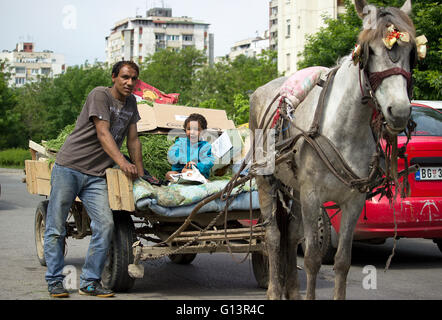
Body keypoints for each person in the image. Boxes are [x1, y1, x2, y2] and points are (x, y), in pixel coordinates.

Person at [44, 61, 144, 298]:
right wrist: (123, 163)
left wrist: (140, 171)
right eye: (125, 77)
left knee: (105, 225)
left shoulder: (131, 103)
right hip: (70, 167)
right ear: (113, 77)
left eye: (134, 79)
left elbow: (133, 139)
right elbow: (103, 133)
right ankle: (55, 281)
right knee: (56, 228)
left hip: (97, 175)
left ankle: (90, 281)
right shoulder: (100, 95)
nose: (130, 83)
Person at [166, 113, 214, 181]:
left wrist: (195, 166)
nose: (192, 132)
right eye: (189, 129)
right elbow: (172, 155)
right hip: (181, 173)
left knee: (205, 180)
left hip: (197, 173)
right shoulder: (180, 142)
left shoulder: (205, 146)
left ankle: (195, 182)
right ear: (185, 129)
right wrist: (186, 163)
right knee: (169, 174)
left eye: (196, 129)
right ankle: (181, 182)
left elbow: (208, 161)